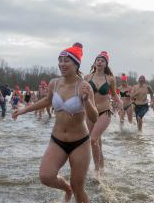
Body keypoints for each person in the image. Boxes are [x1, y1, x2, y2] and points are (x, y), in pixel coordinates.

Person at [13, 43, 97, 203]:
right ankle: (67, 189)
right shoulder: (54, 83)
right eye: (60, 60)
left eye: (67, 61)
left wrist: (86, 101)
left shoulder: (84, 86)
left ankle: (73, 189)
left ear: (76, 64)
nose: (62, 64)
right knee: (46, 176)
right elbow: (47, 100)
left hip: (80, 142)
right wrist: (24, 110)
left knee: (79, 187)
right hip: (57, 140)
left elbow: (94, 118)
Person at [84, 51, 119, 175]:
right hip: (90, 112)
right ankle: (102, 167)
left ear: (106, 64)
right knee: (97, 141)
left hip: (106, 112)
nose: (99, 62)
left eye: (102, 60)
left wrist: (119, 105)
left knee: (92, 140)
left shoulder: (110, 79)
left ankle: (96, 170)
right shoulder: (87, 77)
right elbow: (82, 94)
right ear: (94, 63)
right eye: (98, 60)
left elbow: (114, 95)